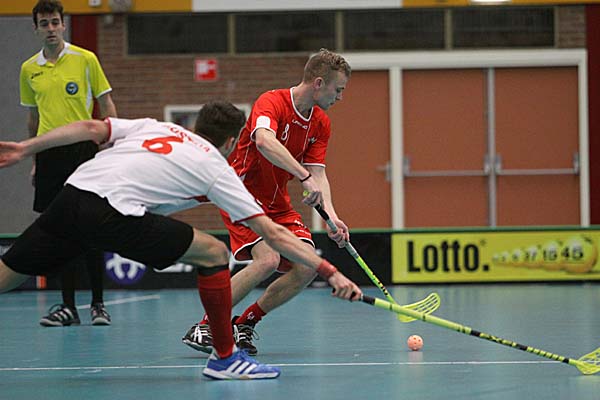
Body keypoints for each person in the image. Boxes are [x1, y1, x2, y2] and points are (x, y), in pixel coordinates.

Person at [0, 101, 362, 380]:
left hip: (72, 194)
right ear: (232, 141)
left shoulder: (155, 126)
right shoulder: (216, 168)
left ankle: (222, 351)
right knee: (213, 252)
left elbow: (90, 127)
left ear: (195, 125)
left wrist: (26, 148)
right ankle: (224, 358)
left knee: (9, 272)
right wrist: (330, 271)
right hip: (113, 212)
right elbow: (275, 233)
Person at [182, 49, 351, 356]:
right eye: (337, 90)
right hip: (240, 194)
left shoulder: (321, 124)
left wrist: (332, 216)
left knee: (307, 265)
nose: (340, 97)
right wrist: (302, 176)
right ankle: (205, 325)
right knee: (268, 259)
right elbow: (264, 141)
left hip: (277, 204)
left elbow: (318, 174)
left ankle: (245, 323)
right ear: (318, 83)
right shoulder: (271, 102)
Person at [20, 0, 117, 326]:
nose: (50, 29)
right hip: (49, 155)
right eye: (44, 24)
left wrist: (112, 147)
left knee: (91, 226)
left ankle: (98, 304)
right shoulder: (28, 69)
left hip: (83, 152)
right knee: (60, 232)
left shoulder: (86, 59)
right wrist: (35, 159)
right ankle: (67, 307)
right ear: (36, 28)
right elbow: (33, 119)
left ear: (63, 24)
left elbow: (106, 104)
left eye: (54, 22)